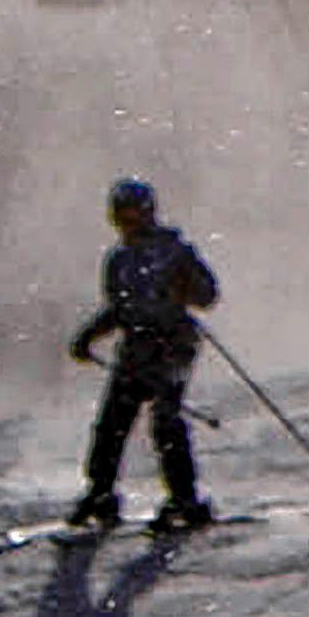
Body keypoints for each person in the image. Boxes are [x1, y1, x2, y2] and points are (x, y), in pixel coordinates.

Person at [65, 176, 220, 531]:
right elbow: (119, 310)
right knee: (112, 423)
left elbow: (207, 295)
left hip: (173, 344)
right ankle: (100, 493)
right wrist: (88, 336)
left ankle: (184, 497)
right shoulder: (118, 260)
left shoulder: (174, 250)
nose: (127, 221)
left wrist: (188, 285)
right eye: (121, 215)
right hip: (136, 346)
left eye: (133, 213)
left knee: (165, 419)